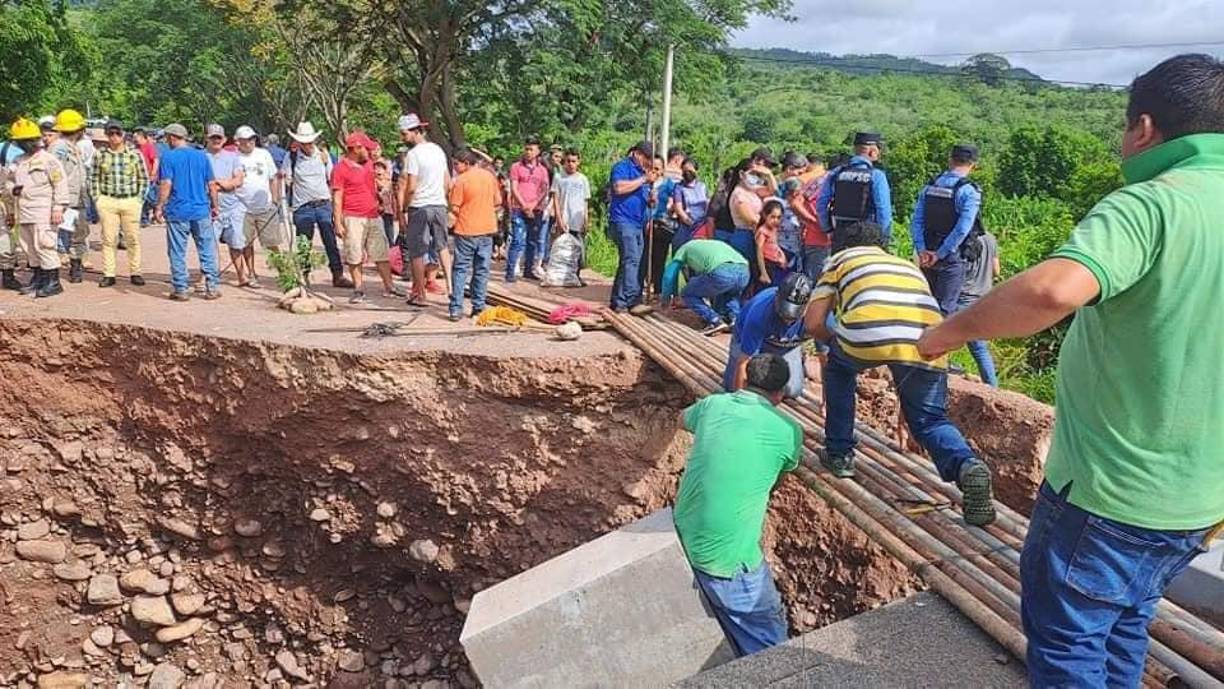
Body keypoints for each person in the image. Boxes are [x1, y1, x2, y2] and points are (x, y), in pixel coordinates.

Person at [916, 54, 1224, 687]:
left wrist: (945, 333)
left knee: (1068, 645)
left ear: (1144, 127)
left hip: (1112, 494)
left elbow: (1053, 291)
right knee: (1127, 621)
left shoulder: (1152, 204)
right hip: (1200, 500)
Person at [803, 220, 994, 526]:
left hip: (865, 332)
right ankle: (966, 465)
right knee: (930, 420)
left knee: (839, 371)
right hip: (927, 338)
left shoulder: (839, 260)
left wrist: (837, 343)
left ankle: (839, 453)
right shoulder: (906, 266)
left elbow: (813, 322)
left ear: (844, 245)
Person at [674, 352, 802, 658]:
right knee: (774, 655)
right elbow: (778, 482)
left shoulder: (713, 405)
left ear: (744, 380)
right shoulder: (788, 430)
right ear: (781, 394)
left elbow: (682, 419)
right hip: (728, 564)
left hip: (684, 538)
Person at [911, 144, 984, 316]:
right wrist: (940, 253)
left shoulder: (929, 187)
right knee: (945, 311)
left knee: (925, 306)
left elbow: (916, 221)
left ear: (950, 160)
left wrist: (922, 251)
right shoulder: (969, 191)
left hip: (926, 254)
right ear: (973, 165)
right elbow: (962, 229)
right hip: (950, 257)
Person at [154, 123, 221, 301]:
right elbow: (212, 185)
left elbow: (166, 184)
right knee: (206, 249)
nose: (166, 141)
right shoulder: (202, 156)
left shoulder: (168, 157)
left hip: (178, 210)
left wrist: (159, 206)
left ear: (172, 137)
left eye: (167, 137)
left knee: (177, 251)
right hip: (200, 210)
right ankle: (212, 287)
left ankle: (181, 288)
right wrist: (215, 206)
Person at [333, 131, 402, 303]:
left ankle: (390, 286)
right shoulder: (340, 169)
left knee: (381, 252)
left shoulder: (370, 164)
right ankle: (358, 288)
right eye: (366, 148)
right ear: (356, 148)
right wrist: (338, 221)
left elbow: (381, 178)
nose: (369, 152)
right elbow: (337, 197)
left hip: (372, 215)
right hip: (352, 216)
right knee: (354, 254)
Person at [722, 272, 813, 399]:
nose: (787, 320)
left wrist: (826, 402)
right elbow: (744, 361)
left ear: (808, 305)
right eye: (783, 314)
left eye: (793, 317)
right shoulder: (759, 314)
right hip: (748, 338)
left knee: (793, 391)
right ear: (776, 296)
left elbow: (826, 360)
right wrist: (740, 402)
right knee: (732, 388)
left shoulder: (819, 318)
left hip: (787, 346)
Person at [282, 121, 350, 288]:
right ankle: (303, 275)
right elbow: (287, 179)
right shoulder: (290, 157)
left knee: (330, 240)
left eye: (309, 141)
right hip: (302, 206)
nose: (307, 144)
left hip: (323, 204)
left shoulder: (323, 156)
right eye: (303, 142)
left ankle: (337, 274)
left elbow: (332, 180)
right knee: (304, 242)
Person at [7, 117, 69, 297]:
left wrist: (58, 208)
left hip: (43, 210)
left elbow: (60, 184)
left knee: (45, 244)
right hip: (23, 210)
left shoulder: (48, 160)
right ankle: (38, 279)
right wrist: (13, 190)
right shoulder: (18, 161)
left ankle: (53, 282)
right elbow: (8, 184)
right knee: (29, 246)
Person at [397, 113, 451, 306]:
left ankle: (420, 293)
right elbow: (447, 181)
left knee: (417, 251)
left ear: (415, 131)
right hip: (439, 204)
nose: (403, 138)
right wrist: (442, 198)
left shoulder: (413, 155)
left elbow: (410, 186)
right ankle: (452, 287)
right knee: (442, 246)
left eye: (404, 134)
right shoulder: (438, 150)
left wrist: (404, 208)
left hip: (419, 206)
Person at [91, 120, 149, 287]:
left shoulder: (134, 154)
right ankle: (109, 274)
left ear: (123, 134)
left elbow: (143, 178)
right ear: (106, 135)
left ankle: (135, 272)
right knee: (109, 239)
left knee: (132, 239)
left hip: (130, 200)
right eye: (111, 133)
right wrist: (97, 198)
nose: (114, 137)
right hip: (108, 200)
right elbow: (93, 177)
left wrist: (139, 200)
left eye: (117, 133)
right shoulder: (100, 154)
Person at [447, 148, 501, 321]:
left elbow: (455, 207)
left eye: (457, 164)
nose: (455, 167)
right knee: (482, 270)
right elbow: (498, 202)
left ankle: (456, 308)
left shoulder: (461, 181)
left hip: (465, 231)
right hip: (487, 230)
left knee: (461, 269)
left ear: (467, 163)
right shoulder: (489, 177)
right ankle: (478, 307)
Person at [607, 140, 658, 314]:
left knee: (628, 262)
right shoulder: (622, 167)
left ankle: (618, 302)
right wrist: (644, 179)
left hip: (638, 223)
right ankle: (633, 300)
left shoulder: (642, 173)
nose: (648, 163)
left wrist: (651, 199)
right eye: (646, 158)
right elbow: (619, 188)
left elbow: (644, 200)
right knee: (632, 260)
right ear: (637, 154)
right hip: (623, 221)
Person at [660, 238, 750, 335]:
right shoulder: (711, 245)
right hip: (744, 272)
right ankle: (735, 320)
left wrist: (666, 299)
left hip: (722, 271)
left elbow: (669, 276)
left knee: (687, 293)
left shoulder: (683, 249)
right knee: (730, 294)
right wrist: (674, 293)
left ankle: (715, 320)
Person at [816, 132, 892, 242]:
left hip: (841, 233)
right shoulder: (876, 176)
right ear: (872, 151)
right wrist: (884, 237)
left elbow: (821, 204)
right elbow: (883, 210)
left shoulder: (836, 173)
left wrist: (828, 229)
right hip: (868, 234)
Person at [233, 125, 283, 286]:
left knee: (271, 242)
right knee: (246, 243)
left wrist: (275, 200)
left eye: (252, 139)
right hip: (242, 208)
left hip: (265, 206)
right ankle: (252, 273)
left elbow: (273, 177)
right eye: (245, 140)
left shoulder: (264, 154)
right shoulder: (234, 158)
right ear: (238, 141)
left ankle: (284, 273)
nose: (249, 143)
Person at [47, 109, 91, 282]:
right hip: (64, 200)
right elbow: (53, 173)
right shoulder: (59, 147)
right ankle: (52, 272)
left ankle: (76, 267)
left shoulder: (73, 147)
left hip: (76, 199)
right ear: (78, 129)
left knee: (79, 234)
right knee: (57, 236)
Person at [203, 125, 249, 288]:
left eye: (219, 138)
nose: (216, 140)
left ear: (224, 139)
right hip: (209, 209)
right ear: (207, 138)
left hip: (233, 206)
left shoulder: (233, 157)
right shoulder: (202, 157)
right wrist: (216, 186)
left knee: (237, 242)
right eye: (213, 137)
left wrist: (221, 184)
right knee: (209, 244)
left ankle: (241, 275)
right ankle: (209, 278)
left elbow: (238, 180)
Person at [956, 232, 1000, 387]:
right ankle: (992, 387)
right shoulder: (990, 238)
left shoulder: (962, 237)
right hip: (983, 299)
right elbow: (996, 270)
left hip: (963, 296)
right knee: (980, 348)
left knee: (940, 337)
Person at [506, 136, 550, 281]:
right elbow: (514, 187)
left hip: (536, 209)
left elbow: (544, 189)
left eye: (531, 149)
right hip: (519, 208)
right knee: (518, 240)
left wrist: (534, 204)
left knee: (533, 240)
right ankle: (510, 271)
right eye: (526, 149)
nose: (528, 152)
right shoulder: (516, 167)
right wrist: (524, 205)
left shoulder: (543, 170)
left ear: (538, 151)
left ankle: (529, 269)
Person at [549, 147, 591, 284]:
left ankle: (576, 276)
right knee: (562, 249)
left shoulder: (583, 180)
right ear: (563, 162)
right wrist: (559, 219)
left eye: (573, 161)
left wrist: (586, 219)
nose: (570, 164)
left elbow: (585, 201)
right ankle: (560, 276)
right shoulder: (559, 178)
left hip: (577, 221)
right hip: (564, 220)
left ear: (579, 162)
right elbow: (555, 199)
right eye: (567, 161)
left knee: (578, 251)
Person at [775, 152, 807, 274]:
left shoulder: (797, 187)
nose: (802, 177)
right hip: (780, 248)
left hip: (795, 246)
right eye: (800, 173)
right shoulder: (772, 189)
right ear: (789, 169)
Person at [670, 157, 708, 248]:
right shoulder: (678, 187)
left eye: (690, 170)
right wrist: (690, 222)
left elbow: (707, 204)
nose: (687, 172)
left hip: (702, 226)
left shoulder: (702, 186)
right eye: (685, 170)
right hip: (685, 226)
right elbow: (679, 209)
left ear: (696, 170)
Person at [754, 199, 787, 286]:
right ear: (765, 215)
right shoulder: (763, 231)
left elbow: (775, 245)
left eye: (779, 217)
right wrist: (763, 273)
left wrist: (782, 257)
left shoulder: (774, 229)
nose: (775, 220)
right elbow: (759, 252)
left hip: (775, 264)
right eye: (772, 217)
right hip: (767, 265)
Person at [133, 127, 159, 226]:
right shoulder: (137, 148)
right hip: (140, 177)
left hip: (149, 176)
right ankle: (144, 219)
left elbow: (155, 160)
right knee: (142, 199)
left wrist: (153, 173)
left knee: (151, 198)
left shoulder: (149, 147)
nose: (134, 139)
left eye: (136, 137)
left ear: (141, 137)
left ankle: (160, 210)